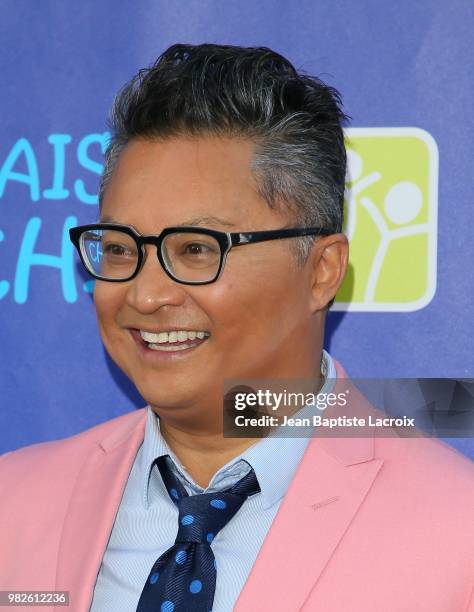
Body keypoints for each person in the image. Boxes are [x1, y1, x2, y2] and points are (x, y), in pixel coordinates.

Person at [0, 43, 473, 612]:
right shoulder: (16, 504)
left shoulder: (456, 533)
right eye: (122, 249)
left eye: (198, 249)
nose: (146, 295)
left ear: (322, 271)